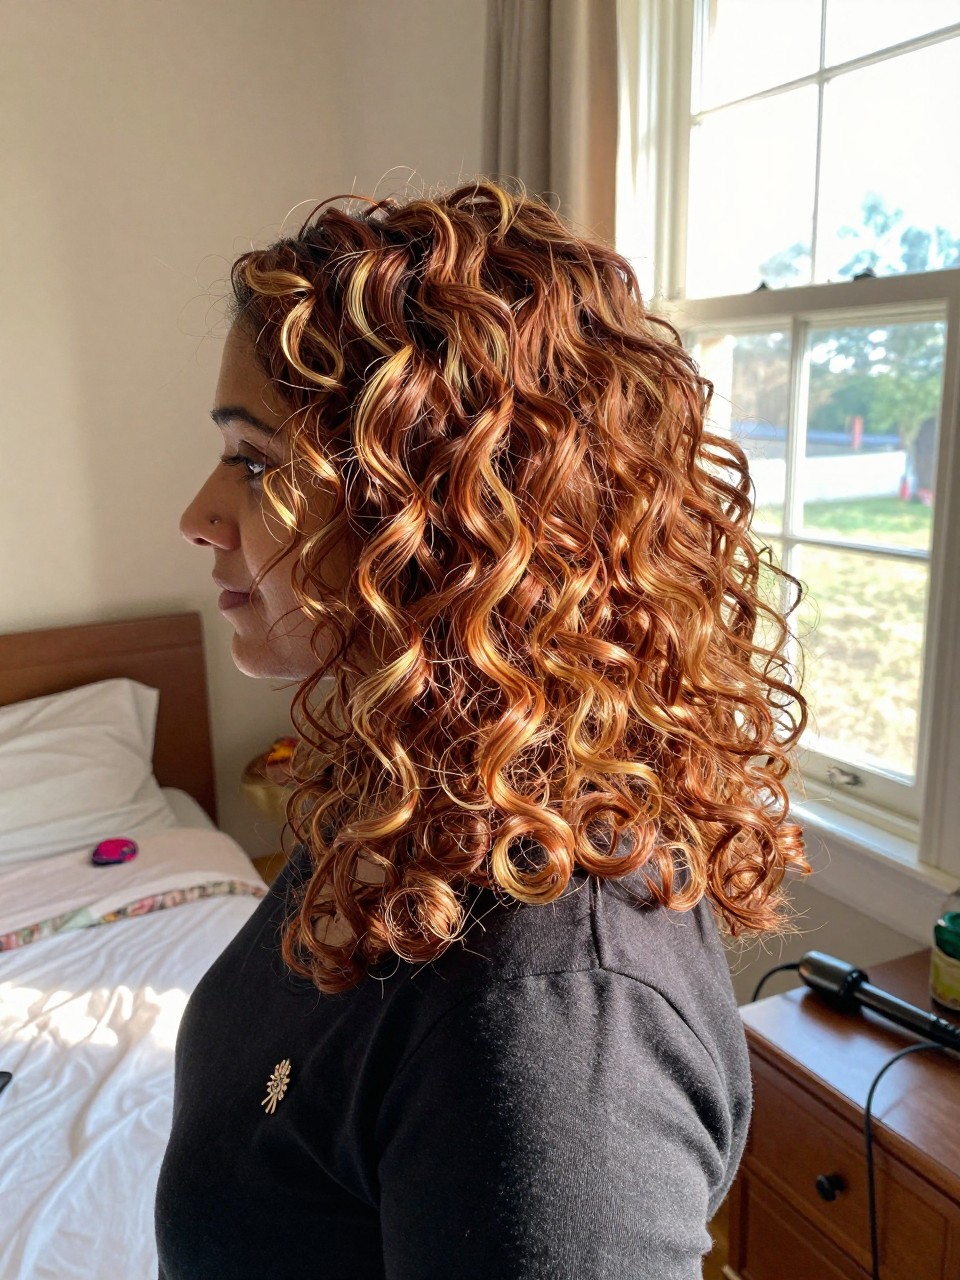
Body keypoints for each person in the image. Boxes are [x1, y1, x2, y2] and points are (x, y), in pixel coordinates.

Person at [158, 179, 811, 1278]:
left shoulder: (547, 1019)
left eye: (257, 460)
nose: (197, 516)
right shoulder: (409, 789)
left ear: (444, 518)